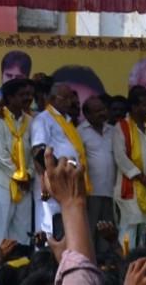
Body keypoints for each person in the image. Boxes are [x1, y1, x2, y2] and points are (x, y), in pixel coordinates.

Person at [31, 82, 89, 237]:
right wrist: (45, 182)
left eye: (71, 98)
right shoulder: (43, 119)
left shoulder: (67, 121)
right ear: (53, 99)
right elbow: (38, 152)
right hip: (51, 180)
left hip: (66, 180)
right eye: (66, 98)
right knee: (49, 222)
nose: (70, 102)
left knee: (64, 224)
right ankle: (46, 257)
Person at [113, 89, 146, 248]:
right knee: (130, 226)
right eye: (145, 105)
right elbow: (120, 157)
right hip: (131, 186)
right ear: (134, 107)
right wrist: (140, 177)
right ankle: (126, 262)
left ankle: (145, 259)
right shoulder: (121, 127)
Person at [0, 77, 35, 245]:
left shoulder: (30, 121)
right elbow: (0, 155)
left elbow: (34, 152)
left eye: (29, 94)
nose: (28, 98)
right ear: (10, 98)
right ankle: (1, 269)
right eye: (22, 94)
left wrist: (28, 174)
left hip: (25, 186)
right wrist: (19, 176)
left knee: (22, 232)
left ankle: (20, 267)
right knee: (1, 231)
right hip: (4, 183)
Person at [76, 94, 116, 255]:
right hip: (91, 190)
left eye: (103, 109)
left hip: (111, 189)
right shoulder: (80, 132)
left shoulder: (112, 130)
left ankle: (107, 262)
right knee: (91, 228)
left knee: (108, 229)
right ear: (87, 115)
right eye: (97, 111)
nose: (102, 113)